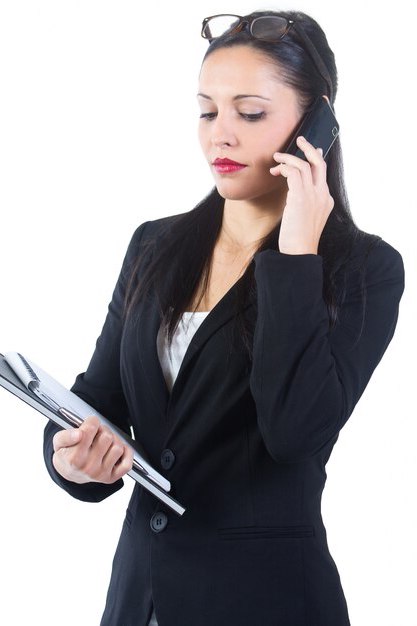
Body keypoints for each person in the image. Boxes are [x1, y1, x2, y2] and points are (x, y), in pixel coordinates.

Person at [43, 10, 404, 626]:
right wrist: (69, 461)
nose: (221, 136)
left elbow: (294, 432)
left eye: (251, 113)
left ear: (316, 124)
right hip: (140, 599)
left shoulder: (362, 267)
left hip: (268, 602)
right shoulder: (154, 245)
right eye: (208, 112)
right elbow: (97, 399)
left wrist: (296, 254)